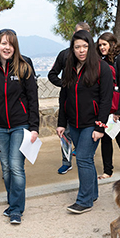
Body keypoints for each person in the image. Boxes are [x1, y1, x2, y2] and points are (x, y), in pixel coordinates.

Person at [0, 29, 39, 225]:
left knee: (16, 166)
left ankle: (16, 209)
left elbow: (33, 99)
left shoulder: (24, 68)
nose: (7, 47)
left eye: (11, 44)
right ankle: (13, 201)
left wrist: (34, 127)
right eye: (3, 43)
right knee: (5, 168)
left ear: (15, 47)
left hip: (20, 125)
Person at [57, 30, 112, 214]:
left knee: (82, 158)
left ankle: (84, 200)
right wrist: (61, 123)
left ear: (91, 46)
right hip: (74, 123)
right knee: (86, 159)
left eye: (85, 46)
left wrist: (100, 126)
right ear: (72, 49)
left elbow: (106, 99)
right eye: (77, 47)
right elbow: (64, 96)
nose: (81, 50)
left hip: (92, 123)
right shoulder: (69, 68)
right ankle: (93, 193)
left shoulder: (101, 68)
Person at [48, 22, 90, 175]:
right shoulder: (64, 54)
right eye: (78, 34)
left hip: (87, 108)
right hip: (68, 103)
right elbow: (52, 74)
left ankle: (82, 157)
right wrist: (66, 84)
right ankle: (66, 162)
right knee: (65, 134)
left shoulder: (94, 58)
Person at [96, 32, 120, 179]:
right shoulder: (105, 61)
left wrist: (118, 111)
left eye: (104, 44)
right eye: (100, 45)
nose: (101, 47)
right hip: (107, 106)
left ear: (112, 44)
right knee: (105, 138)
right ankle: (107, 171)